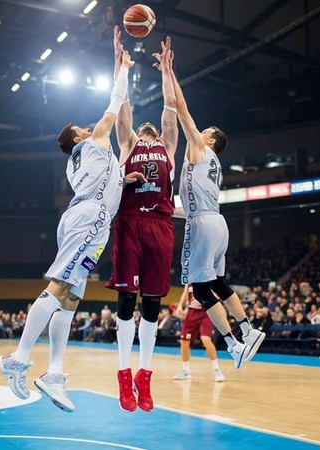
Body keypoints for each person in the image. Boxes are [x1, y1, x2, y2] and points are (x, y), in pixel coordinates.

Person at [0, 50, 143, 413]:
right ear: (77, 139)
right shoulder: (93, 143)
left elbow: (103, 180)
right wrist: (123, 70)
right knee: (59, 287)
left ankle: (54, 372)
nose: (90, 129)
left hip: (87, 219)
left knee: (72, 297)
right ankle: (18, 357)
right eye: (82, 129)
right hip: (90, 220)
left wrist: (123, 180)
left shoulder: (81, 161)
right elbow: (113, 105)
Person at [158, 39, 266, 370]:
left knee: (200, 289)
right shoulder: (213, 162)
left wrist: (169, 70)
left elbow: (180, 107)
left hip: (203, 226)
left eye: (205, 130)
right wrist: (169, 211)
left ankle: (233, 344)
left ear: (211, 139)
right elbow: (193, 205)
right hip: (217, 222)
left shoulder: (200, 148)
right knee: (217, 283)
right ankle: (248, 330)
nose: (200, 130)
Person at [106, 27, 180, 413]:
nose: (149, 129)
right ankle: (123, 374)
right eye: (143, 128)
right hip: (130, 221)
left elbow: (171, 109)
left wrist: (167, 70)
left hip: (160, 225)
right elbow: (121, 104)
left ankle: (145, 375)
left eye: (154, 129)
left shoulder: (168, 146)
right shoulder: (128, 143)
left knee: (152, 302)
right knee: (126, 298)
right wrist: (120, 65)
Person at [173, 284, 225, 382]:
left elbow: (218, 294)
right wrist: (180, 306)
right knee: (184, 341)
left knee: (205, 339)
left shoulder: (208, 278)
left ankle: (216, 370)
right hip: (191, 312)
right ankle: (185, 371)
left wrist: (206, 295)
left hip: (206, 312)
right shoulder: (189, 278)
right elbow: (185, 292)